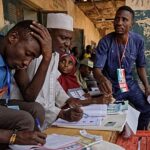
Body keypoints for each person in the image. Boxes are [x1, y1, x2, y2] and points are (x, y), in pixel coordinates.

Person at [11, 13, 83, 126]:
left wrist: (66, 99)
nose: (68, 44)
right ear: (48, 33)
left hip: (46, 118)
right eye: (63, 38)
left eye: (69, 39)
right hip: (28, 117)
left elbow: (52, 80)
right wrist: (59, 113)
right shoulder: (34, 55)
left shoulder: (56, 54)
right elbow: (33, 96)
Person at [93, 5, 150, 130]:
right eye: (117, 19)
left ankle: (139, 134)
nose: (119, 22)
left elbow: (141, 66)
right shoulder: (105, 41)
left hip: (129, 82)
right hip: (111, 85)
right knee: (115, 117)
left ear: (132, 24)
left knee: (146, 109)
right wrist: (102, 79)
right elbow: (97, 69)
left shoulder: (138, 41)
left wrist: (147, 86)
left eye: (124, 19)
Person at [0, 20, 51, 149]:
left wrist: (46, 58)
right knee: (24, 119)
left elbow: (29, 96)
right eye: (28, 54)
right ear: (13, 37)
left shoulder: (11, 56)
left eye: (32, 58)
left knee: (36, 109)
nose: (27, 63)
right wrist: (12, 136)